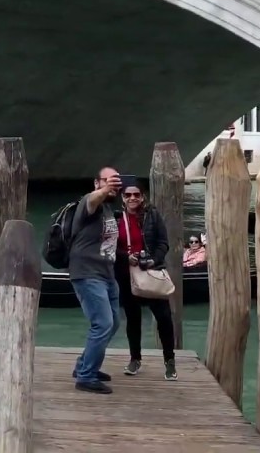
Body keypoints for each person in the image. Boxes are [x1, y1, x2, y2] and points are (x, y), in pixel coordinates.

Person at [115, 181, 178, 380]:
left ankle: (169, 361)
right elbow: (108, 247)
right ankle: (135, 359)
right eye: (128, 195)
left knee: (164, 318)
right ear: (122, 198)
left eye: (136, 195)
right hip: (127, 276)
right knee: (133, 319)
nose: (132, 198)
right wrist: (126, 257)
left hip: (151, 272)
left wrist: (153, 260)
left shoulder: (152, 215)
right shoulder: (116, 218)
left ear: (142, 197)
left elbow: (163, 242)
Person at [69, 167, 123, 394]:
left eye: (116, 180)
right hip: (87, 273)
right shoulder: (88, 204)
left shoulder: (108, 208)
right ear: (96, 183)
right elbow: (92, 198)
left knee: (113, 323)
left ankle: (85, 364)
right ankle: (86, 377)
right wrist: (105, 189)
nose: (113, 184)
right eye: (107, 180)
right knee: (102, 324)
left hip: (106, 274)